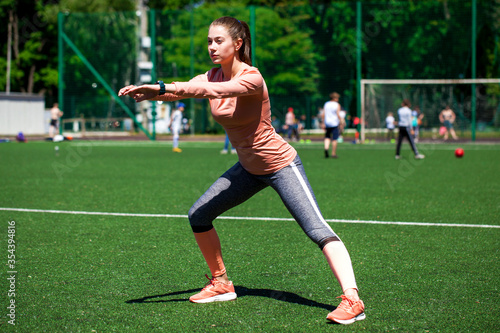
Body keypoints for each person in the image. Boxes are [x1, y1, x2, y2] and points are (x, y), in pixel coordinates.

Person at [118, 16, 365, 325]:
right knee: (199, 215)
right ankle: (221, 282)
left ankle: (353, 299)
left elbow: (206, 91)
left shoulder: (252, 78)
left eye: (218, 40)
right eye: (208, 41)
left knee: (316, 229)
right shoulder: (210, 76)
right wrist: (152, 92)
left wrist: (161, 86)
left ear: (237, 44)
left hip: (280, 165)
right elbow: (187, 90)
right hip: (248, 169)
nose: (211, 46)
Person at [322, 92, 341, 158]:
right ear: (335, 98)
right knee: (335, 138)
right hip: (334, 123)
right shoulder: (337, 105)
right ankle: (333, 153)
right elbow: (338, 114)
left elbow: (323, 114)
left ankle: (326, 148)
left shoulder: (326, 104)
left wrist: (323, 122)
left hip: (327, 123)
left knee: (327, 137)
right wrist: (341, 120)